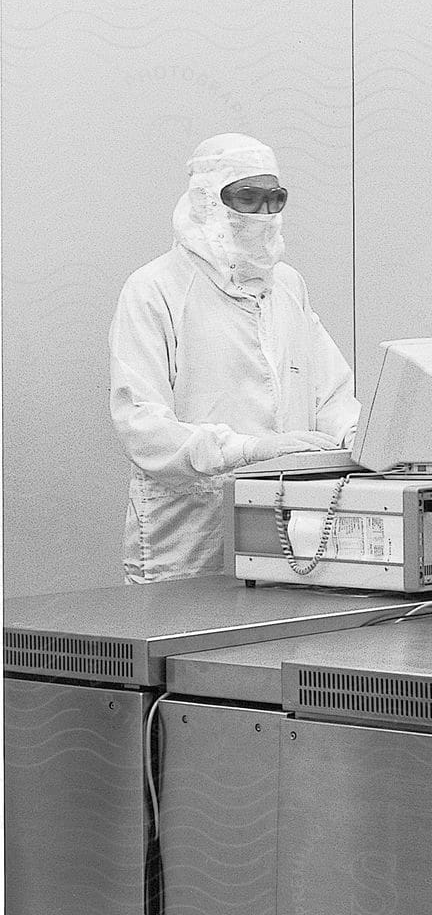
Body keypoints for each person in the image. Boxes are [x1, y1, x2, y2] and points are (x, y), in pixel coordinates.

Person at [110, 133, 358, 582]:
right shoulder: (156, 289)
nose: (264, 214)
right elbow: (142, 425)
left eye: (274, 199)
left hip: (287, 525)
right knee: (187, 641)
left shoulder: (287, 286)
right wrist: (247, 451)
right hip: (189, 534)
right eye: (248, 197)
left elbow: (332, 393)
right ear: (207, 201)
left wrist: (359, 437)